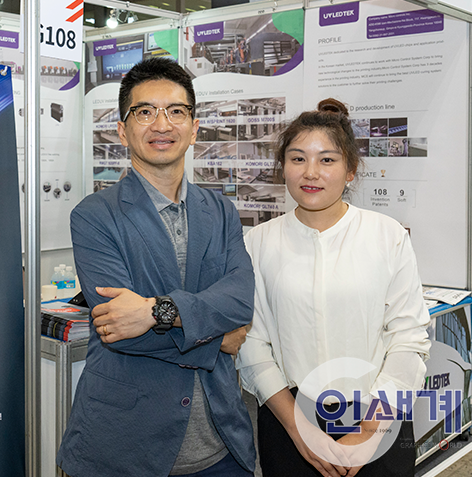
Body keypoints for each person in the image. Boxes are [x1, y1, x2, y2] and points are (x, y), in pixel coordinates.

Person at [57, 57, 256, 477]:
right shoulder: (94, 216)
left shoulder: (220, 210)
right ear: (122, 130)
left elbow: (239, 302)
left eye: (176, 111)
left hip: (220, 444)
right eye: (145, 112)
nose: (162, 124)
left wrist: (153, 312)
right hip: (126, 446)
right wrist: (217, 338)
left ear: (194, 128)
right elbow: (118, 331)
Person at [236, 99, 431, 477]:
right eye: (297, 159)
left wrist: (369, 431)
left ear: (351, 169)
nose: (310, 172)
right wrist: (299, 429)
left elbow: (408, 337)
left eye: (327, 160)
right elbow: (253, 344)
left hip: (378, 412)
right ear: (282, 167)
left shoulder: (386, 235)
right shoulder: (257, 243)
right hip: (289, 421)